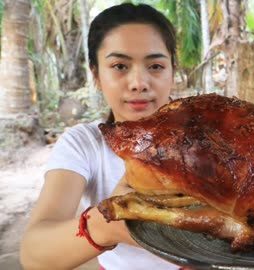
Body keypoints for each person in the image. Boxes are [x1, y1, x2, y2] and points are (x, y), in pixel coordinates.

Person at [20, 3, 181, 269]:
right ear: (96, 74)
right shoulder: (84, 145)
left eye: (155, 66)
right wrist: (108, 225)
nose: (138, 82)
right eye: (120, 66)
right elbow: (33, 254)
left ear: (172, 71)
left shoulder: (207, 140)